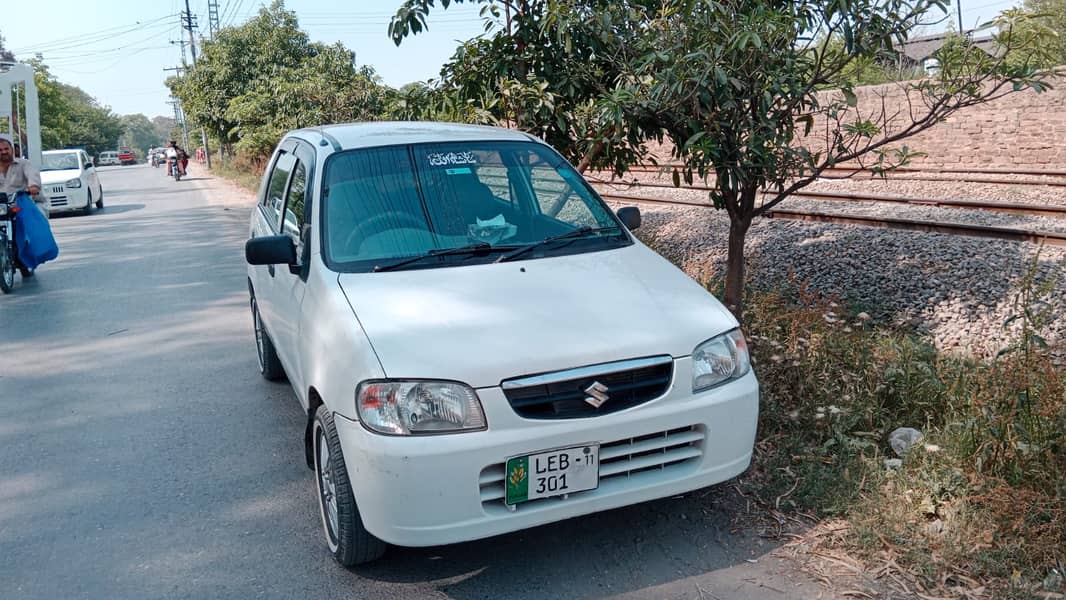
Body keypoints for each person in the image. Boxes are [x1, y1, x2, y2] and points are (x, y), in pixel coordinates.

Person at [0, 135, 45, 276]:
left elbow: (33, 179)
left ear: (12, 150)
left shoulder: (24, 164)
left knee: (31, 223)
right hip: (1, 206)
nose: (3, 152)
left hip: (20, 203)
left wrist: (32, 187)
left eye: (6, 149)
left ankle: (30, 252)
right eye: (0, 150)